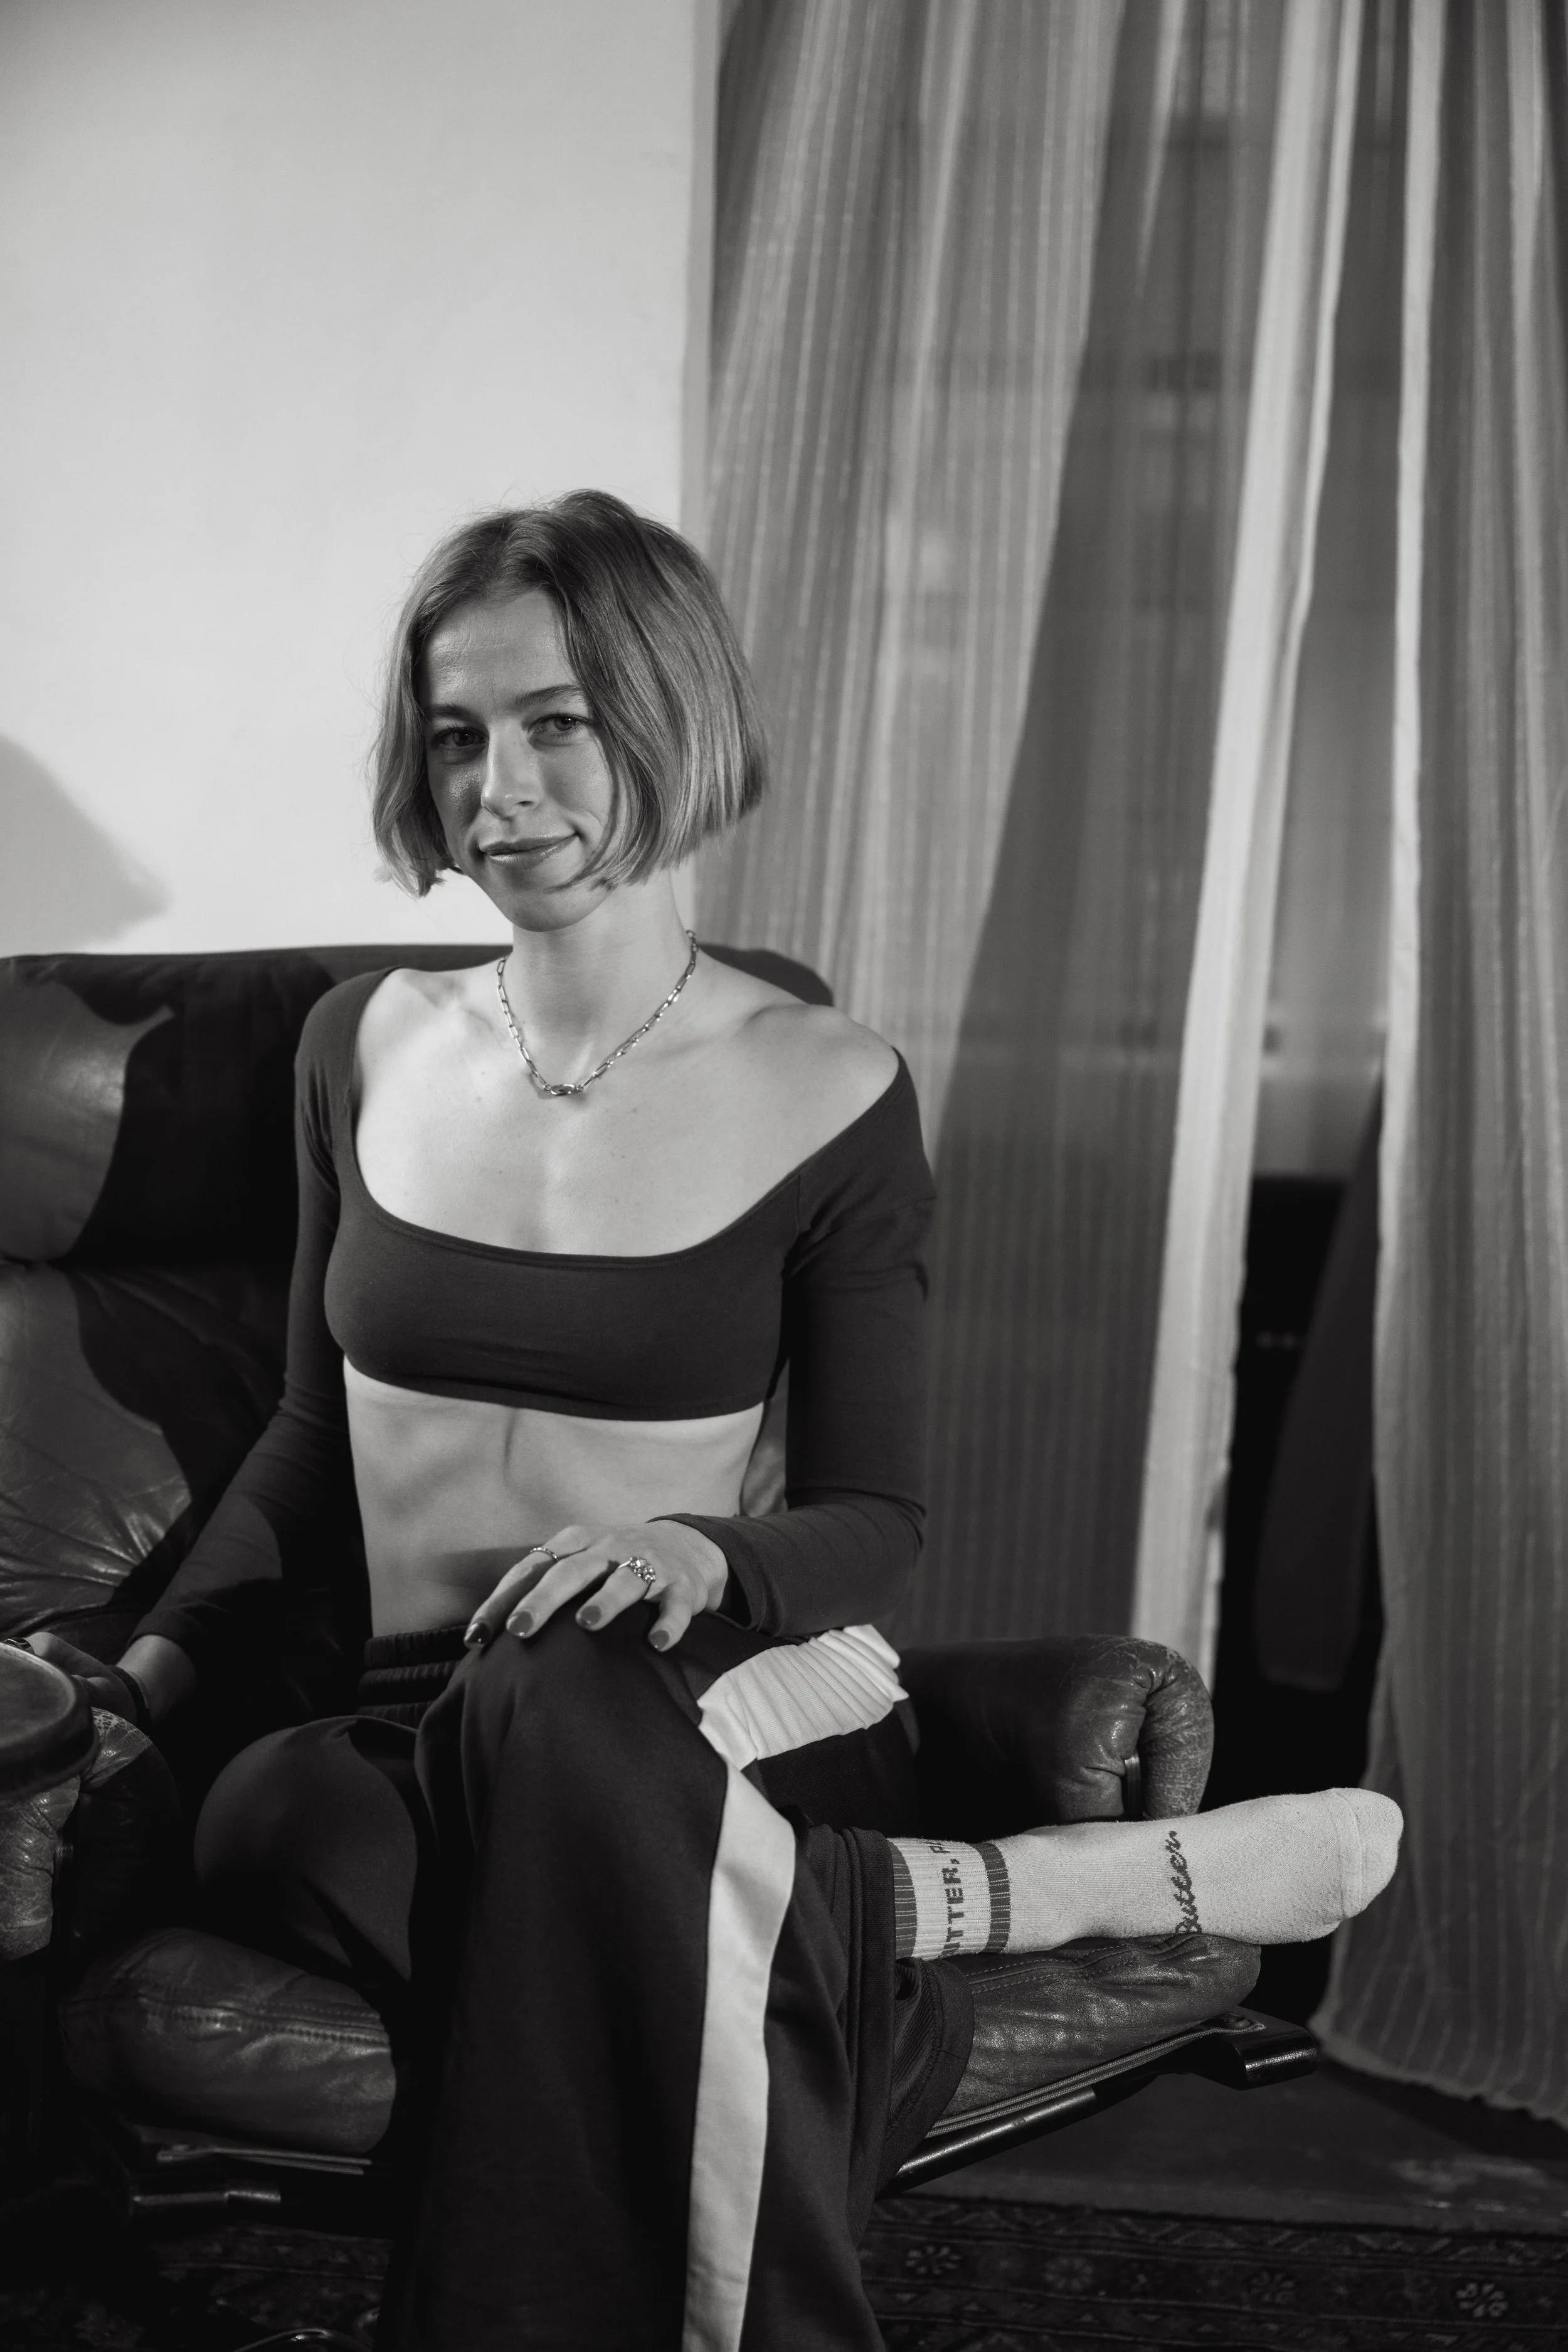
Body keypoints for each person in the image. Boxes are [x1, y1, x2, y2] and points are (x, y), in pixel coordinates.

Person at [33, 492, 1401, 2351]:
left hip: (714, 1692)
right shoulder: (357, 1044)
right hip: (400, 1730)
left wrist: (698, 1546)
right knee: (272, 1810)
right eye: (454, 736)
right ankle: (932, 1902)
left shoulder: (828, 1087)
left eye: (554, 722)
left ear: (665, 715)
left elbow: (872, 1512)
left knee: (556, 1687)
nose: (496, 787)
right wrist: (147, 1682)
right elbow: (300, 1432)